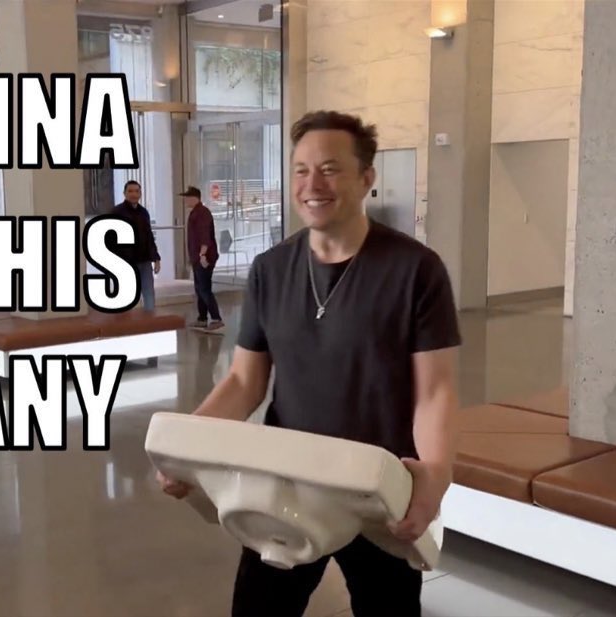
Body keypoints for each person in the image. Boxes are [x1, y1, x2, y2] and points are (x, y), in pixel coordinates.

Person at [156, 110, 462, 617]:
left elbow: (435, 392)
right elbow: (244, 381)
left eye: (330, 169)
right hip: (286, 481)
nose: (312, 184)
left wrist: (435, 474)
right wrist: (185, 446)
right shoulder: (270, 269)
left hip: (375, 488)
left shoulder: (415, 270)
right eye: (301, 170)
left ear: (366, 177)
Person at [111, 180, 161, 311]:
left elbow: (149, 236)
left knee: (148, 292)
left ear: (140, 194)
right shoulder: (116, 212)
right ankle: (125, 320)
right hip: (126, 262)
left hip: (144, 260)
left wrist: (156, 258)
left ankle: (150, 319)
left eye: (136, 191)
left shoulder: (144, 212)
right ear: (124, 193)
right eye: (130, 191)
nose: (133, 194)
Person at [180, 186, 223, 331]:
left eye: (187, 197)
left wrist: (203, 255)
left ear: (195, 198)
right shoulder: (195, 213)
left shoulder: (202, 213)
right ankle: (202, 318)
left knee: (204, 289)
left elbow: (205, 236)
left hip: (204, 257)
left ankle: (216, 319)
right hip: (197, 258)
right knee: (199, 289)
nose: (185, 200)